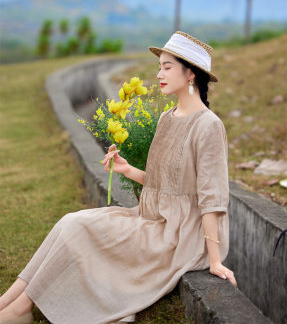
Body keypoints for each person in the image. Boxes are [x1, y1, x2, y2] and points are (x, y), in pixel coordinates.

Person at [0, 31, 237, 324]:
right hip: (150, 218)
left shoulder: (208, 126)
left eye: (167, 67)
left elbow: (212, 198)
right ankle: (8, 302)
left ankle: (21, 309)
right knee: (70, 222)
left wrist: (214, 260)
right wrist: (127, 169)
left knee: (78, 230)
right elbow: (162, 180)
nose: (159, 74)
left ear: (190, 74)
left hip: (179, 235)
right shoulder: (167, 117)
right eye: (159, 66)